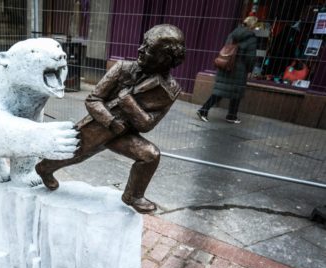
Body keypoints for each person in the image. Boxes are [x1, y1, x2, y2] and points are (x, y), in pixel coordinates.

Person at [36, 24, 186, 213]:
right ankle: (44, 168)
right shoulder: (123, 68)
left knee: (150, 155)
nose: (140, 49)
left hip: (125, 133)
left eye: (148, 49)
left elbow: (148, 124)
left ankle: (133, 195)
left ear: (165, 57)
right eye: (143, 44)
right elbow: (93, 100)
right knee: (76, 154)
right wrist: (111, 122)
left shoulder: (170, 89)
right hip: (100, 125)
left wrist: (128, 102)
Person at [197, 16, 258, 124]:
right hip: (239, 70)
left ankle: (207, 111)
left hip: (227, 65)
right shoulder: (251, 38)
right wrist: (250, 69)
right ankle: (229, 115)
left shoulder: (233, 33)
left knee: (220, 91)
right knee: (236, 92)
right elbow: (250, 58)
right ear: (252, 26)